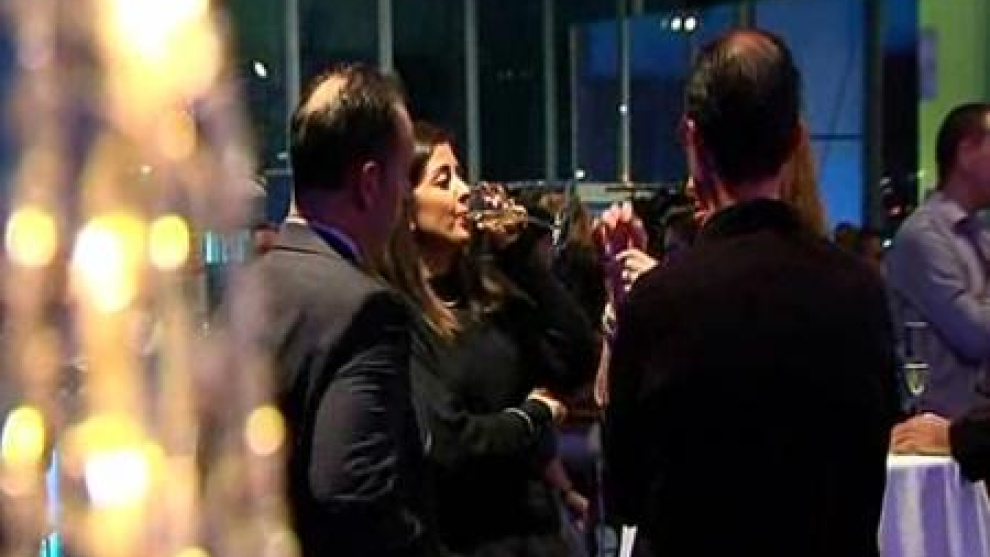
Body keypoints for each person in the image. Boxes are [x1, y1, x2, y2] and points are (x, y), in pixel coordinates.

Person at [604, 29, 899, 556]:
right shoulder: (861, 292)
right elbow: (868, 480)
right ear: (796, 140)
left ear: (692, 139)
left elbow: (624, 495)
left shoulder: (659, 302)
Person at [373, 122, 598, 557]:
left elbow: (576, 359)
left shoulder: (487, 294)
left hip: (536, 535)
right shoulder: (397, 313)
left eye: (461, 175)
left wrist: (519, 255)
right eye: (444, 180)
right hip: (465, 539)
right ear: (405, 205)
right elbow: (448, 442)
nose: (463, 190)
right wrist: (532, 416)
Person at [254, 65, 426, 557]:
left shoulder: (248, 289)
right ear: (370, 183)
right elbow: (352, 494)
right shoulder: (368, 311)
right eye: (403, 177)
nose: (406, 198)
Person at [886, 103, 990, 419]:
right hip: (939, 428)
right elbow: (974, 336)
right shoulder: (924, 236)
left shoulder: (981, 233)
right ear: (966, 153)